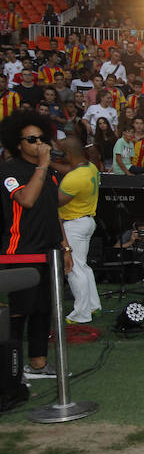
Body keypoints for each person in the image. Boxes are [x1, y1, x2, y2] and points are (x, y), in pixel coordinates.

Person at [0, 111, 74, 377]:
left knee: (44, 309)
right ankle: (13, 370)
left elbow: (54, 211)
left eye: (42, 138)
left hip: (49, 251)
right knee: (20, 312)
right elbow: (27, 200)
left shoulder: (50, 174)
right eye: (32, 139)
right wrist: (44, 165)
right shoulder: (9, 170)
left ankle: (38, 363)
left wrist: (65, 247)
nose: (39, 143)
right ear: (18, 143)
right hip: (20, 253)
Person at [57, 138, 101, 325]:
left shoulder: (73, 179)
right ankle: (92, 305)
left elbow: (54, 202)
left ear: (68, 155)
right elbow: (70, 170)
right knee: (82, 266)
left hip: (73, 224)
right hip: (86, 221)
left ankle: (81, 314)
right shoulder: (90, 167)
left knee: (73, 268)